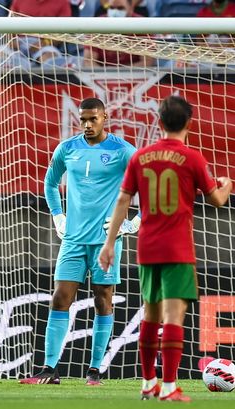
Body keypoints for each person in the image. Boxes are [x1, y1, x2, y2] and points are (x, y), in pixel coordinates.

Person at [99, 95, 232, 401]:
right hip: (177, 249)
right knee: (173, 318)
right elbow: (217, 200)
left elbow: (122, 201)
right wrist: (227, 184)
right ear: (189, 123)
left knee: (150, 315)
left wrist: (109, 242)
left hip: (147, 248)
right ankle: (169, 387)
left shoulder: (140, 157)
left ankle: (148, 383)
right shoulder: (193, 158)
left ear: (159, 122)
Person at [20, 98, 140, 386]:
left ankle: (95, 371)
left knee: (103, 300)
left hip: (106, 242)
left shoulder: (123, 151)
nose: (87, 124)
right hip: (72, 239)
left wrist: (135, 222)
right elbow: (50, 183)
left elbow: (146, 184)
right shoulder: (67, 148)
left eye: (93, 119)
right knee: (60, 298)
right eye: (83, 119)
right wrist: (58, 216)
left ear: (105, 118)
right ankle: (49, 370)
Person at [83, 0, 155, 68]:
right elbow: (88, 61)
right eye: (111, 8)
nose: (115, 12)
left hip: (137, 76)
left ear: (131, 9)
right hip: (101, 76)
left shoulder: (143, 26)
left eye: (120, 8)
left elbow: (148, 62)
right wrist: (107, 76)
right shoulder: (96, 25)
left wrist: (121, 75)